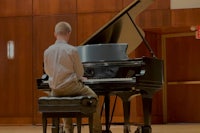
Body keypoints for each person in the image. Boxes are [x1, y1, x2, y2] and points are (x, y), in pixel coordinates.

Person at [43, 21, 102, 133]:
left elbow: (47, 71)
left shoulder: (47, 51)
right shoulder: (72, 50)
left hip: (56, 90)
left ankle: (68, 129)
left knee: (63, 99)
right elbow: (80, 72)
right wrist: (80, 78)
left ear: (55, 34)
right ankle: (96, 130)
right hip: (71, 87)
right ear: (68, 33)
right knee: (94, 97)